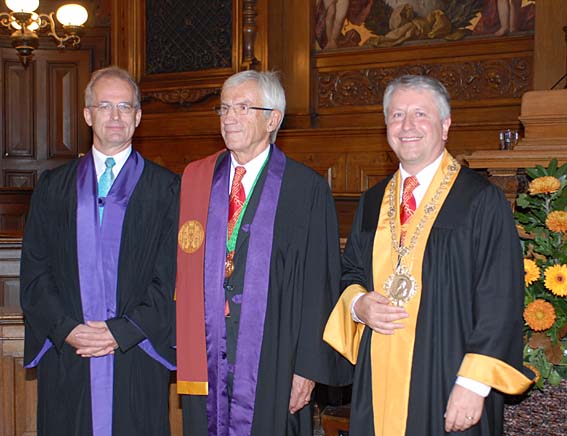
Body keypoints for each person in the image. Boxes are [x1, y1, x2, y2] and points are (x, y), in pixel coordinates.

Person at [323, 75, 533, 436]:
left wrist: (473, 384)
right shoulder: (373, 201)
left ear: (445, 125)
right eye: (397, 115)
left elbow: (500, 297)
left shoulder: (480, 199)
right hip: (380, 377)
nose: (407, 126)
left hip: (450, 376)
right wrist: (359, 305)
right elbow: (351, 271)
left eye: (420, 114)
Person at [176, 70, 351, 436]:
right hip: (206, 350)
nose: (228, 117)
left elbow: (319, 286)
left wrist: (307, 369)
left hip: (274, 354)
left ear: (273, 118)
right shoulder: (195, 180)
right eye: (223, 108)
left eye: (242, 107)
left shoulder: (306, 190)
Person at [20, 66, 179, 436]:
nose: (115, 116)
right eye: (104, 106)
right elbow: (35, 271)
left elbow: (172, 278)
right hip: (70, 354)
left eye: (125, 106)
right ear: (88, 114)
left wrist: (121, 332)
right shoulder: (53, 187)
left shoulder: (169, 189)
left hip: (134, 353)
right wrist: (68, 329)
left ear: (138, 117)